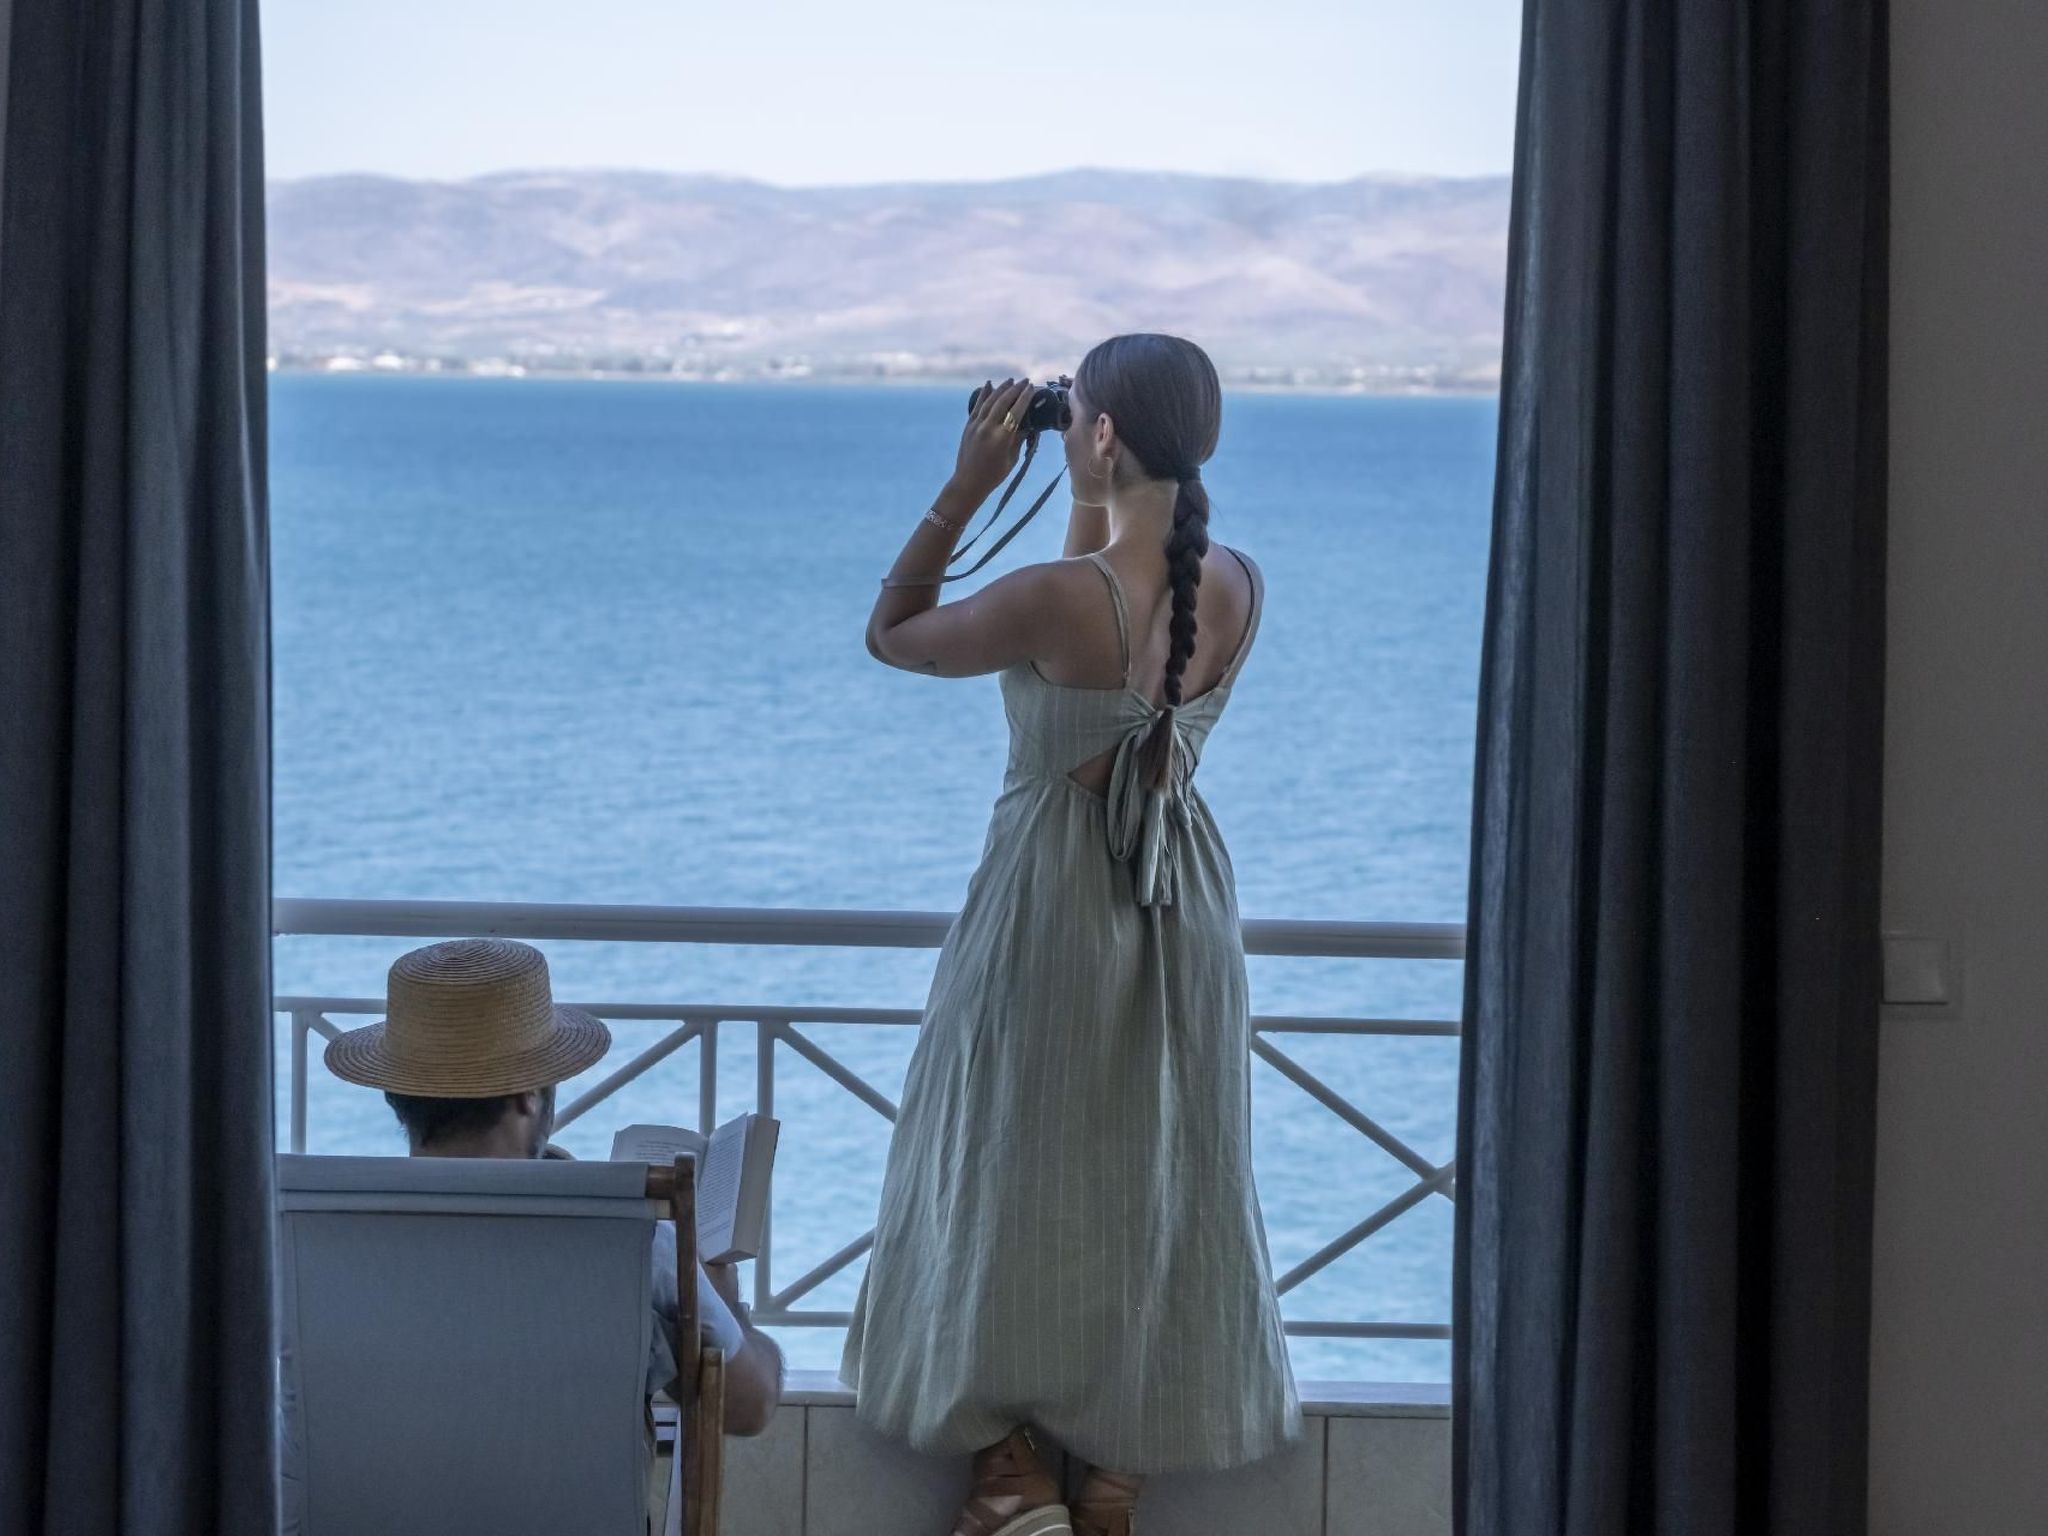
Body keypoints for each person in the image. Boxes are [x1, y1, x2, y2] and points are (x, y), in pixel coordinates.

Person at [845, 335, 1299, 1536]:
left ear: (1094, 436)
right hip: (1179, 902)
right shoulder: (1236, 582)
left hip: (1051, 894)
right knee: (1159, 1167)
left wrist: (965, 487)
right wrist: (1087, 488)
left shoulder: (1059, 601)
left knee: (1002, 1155)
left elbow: (893, 633)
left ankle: (1005, 1469)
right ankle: (1112, 1482)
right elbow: (1101, 591)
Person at [323, 937, 785, 1435]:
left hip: (358, 1514)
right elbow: (747, 1408)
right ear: (528, 1095)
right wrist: (723, 1301)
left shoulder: (322, 1239)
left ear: (395, 1097)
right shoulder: (633, 1244)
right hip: (576, 1516)